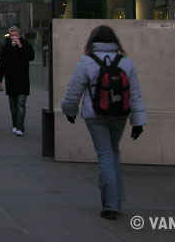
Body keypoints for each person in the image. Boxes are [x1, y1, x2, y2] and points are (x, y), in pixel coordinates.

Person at [62, 24, 147, 220]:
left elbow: (73, 91)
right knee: (114, 150)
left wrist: (69, 111)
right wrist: (138, 122)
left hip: (95, 115)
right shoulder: (125, 62)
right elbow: (135, 94)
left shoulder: (86, 62)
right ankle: (116, 199)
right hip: (120, 114)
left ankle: (110, 204)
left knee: (105, 154)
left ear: (93, 41)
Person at [0, 25, 35, 137]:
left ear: (19, 35)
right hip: (10, 81)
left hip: (22, 80)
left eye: (16, 35)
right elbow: (1, 64)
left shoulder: (25, 45)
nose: (14, 37)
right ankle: (15, 123)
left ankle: (20, 127)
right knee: (13, 106)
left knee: (21, 104)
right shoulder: (6, 47)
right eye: (12, 35)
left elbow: (31, 56)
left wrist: (20, 46)